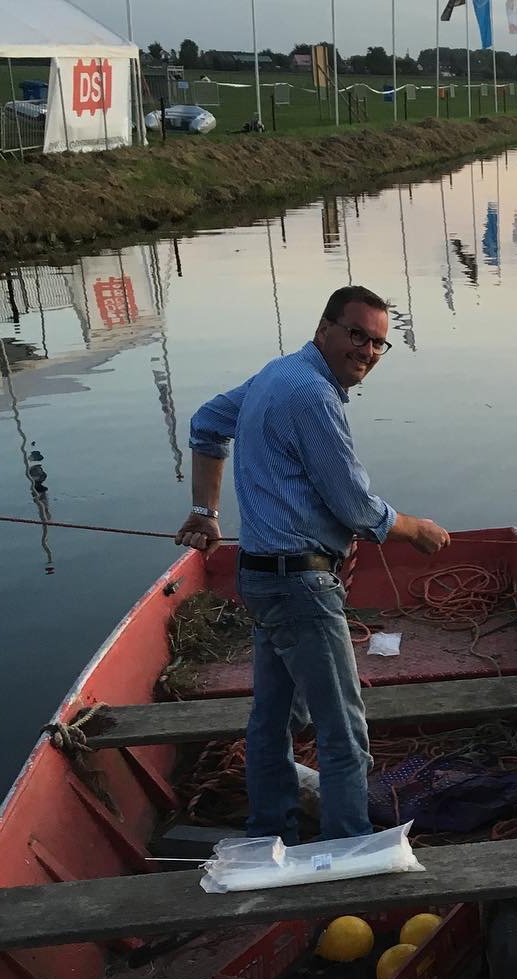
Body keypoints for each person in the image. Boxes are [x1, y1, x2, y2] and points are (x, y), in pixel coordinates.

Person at [175, 285, 450, 844]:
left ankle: (266, 833)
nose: (367, 351)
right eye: (357, 335)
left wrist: (205, 512)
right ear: (324, 327)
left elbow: (206, 424)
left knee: (271, 722)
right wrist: (413, 529)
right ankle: (349, 849)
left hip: (261, 578)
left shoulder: (277, 375)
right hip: (300, 586)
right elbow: (354, 503)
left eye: (378, 343)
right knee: (344, 733)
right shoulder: (312, 394)